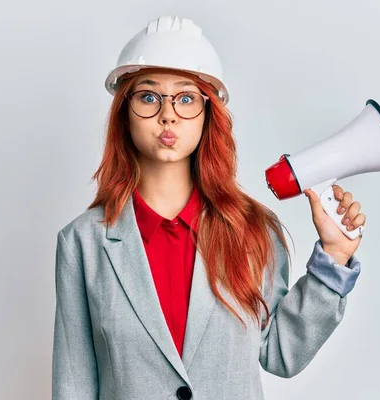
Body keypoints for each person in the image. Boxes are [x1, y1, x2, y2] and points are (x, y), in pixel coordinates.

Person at [52, 16, 364, 400]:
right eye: (149, 96)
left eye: (185, 99)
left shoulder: (253, 231)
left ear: (207, 113)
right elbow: (74, 384)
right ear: (124, 112)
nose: (168, 115)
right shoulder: (82, 243)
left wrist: (333, 259)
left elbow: (282, 353)